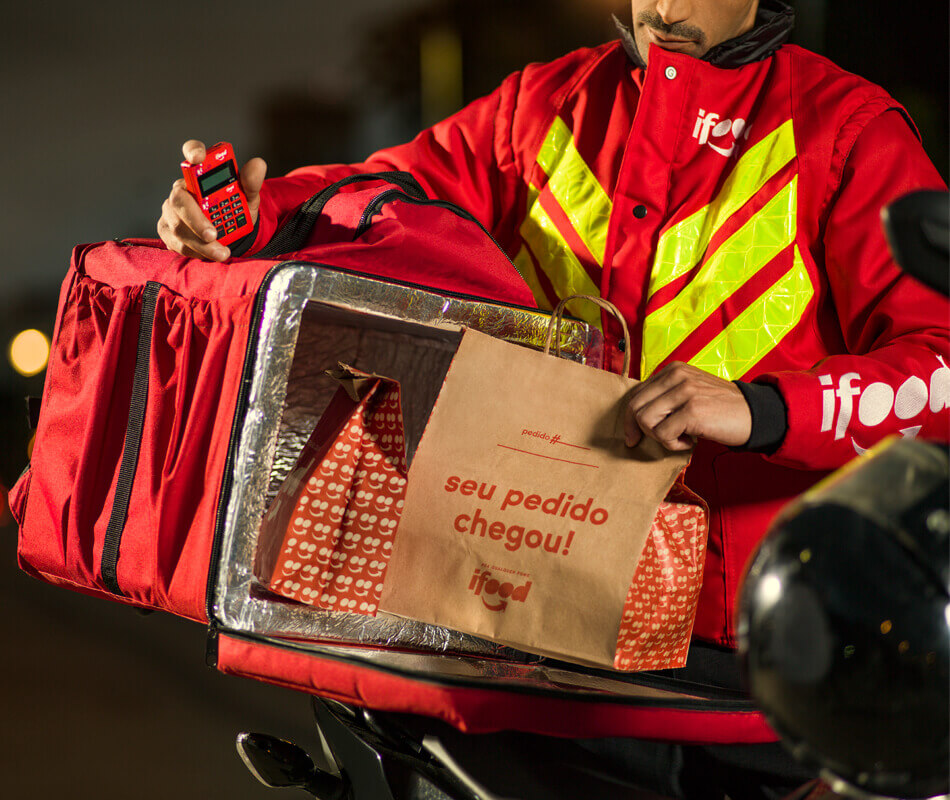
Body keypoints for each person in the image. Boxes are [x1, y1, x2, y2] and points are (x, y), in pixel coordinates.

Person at [158, 0, 949, 796]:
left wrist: (762, 408)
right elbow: (387, 194)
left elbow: (939, 365)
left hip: (744, 657)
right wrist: (257, 218)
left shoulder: (847, 128)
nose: (661, 8)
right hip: (527, 626)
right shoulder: (543, 106)